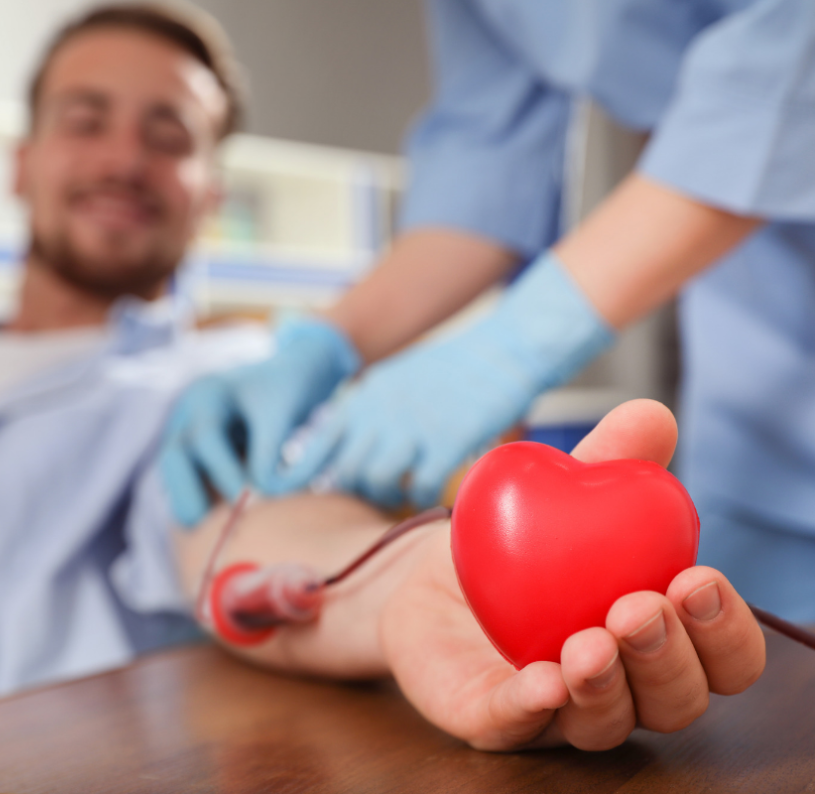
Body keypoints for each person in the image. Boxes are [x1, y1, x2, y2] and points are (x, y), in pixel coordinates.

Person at [160, 0, 815, 622]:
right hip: (756, 386)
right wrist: (329, 341)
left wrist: (511, 346)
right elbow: (487, 160)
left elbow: (782, 83)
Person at [0, 1, 268, 735]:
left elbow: (263, 540)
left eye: (167, 137)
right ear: (20, 165)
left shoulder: (210, 383)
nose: (123, 162)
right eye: (85, 121)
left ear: (209, 197)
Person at [177, 399, 766, 753]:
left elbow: (250, 526)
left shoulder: (227, 377)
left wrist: (402, 578)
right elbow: (212, 540)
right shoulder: (197, 409)